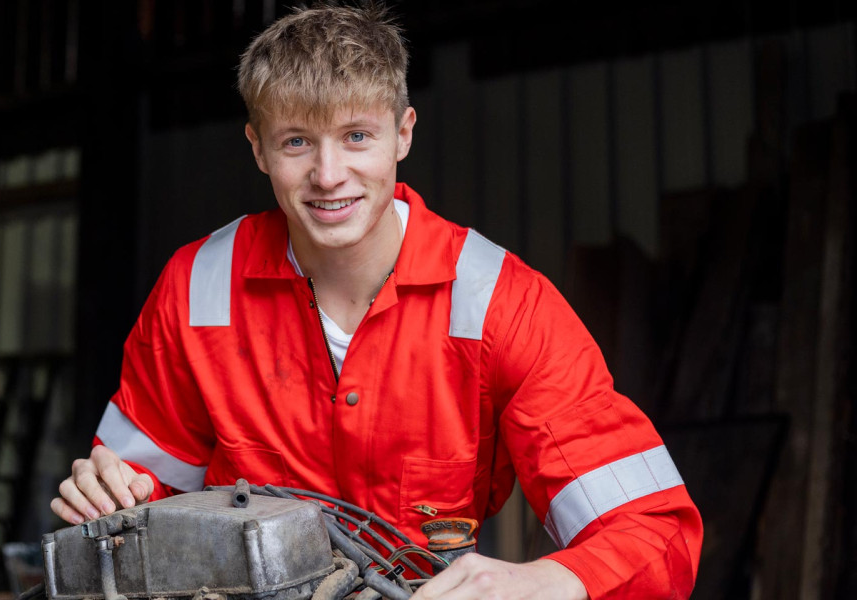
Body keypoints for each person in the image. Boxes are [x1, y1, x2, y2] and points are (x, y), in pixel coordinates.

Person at [52, 3, 702, 598]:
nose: (329, 175)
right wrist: (107, 495)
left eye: (357, 136)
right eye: (297, 141)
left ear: (403, 134)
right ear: (257, 148)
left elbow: (655, 531)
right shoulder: (198, 291)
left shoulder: (500, 302)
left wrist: (548, 583)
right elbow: (136, 501)